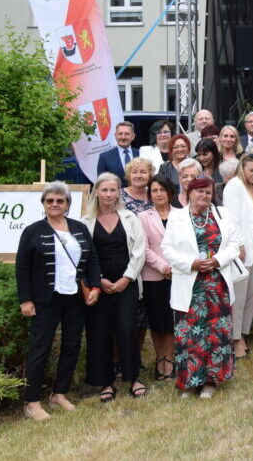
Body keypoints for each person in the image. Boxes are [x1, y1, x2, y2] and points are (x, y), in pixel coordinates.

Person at [15, 183, 101, 421]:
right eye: (50, 200)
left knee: (72, 345)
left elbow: (92, 258)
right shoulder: (32, 231)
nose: (54, 204)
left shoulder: (79, 228)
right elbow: (22, 268)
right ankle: (32, 402)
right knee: (39, 348)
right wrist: (26, 300)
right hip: (45, 299)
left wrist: (95, 286)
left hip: (74, 297)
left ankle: (59, 393)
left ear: (67, 204)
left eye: (59, 201)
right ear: (43, 203)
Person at [161, 177, 239, 397]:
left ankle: (211, 382)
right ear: (190, 193)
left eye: (207, 192)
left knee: (216, 333)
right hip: (190, 283)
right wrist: (190, 264)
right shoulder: (176, 217)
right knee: (190, 334)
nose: (203, 196)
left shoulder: (223, 214)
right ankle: (190, 381)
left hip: (217, 283)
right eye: (199, 192)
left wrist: (218, 260)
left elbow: (234, 244)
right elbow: (167, 248)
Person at [83, 172, 147, 402]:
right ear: (96, 192)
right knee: (100, 332)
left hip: (126, 281)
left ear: (119, 192)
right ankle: (106, 382)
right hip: (98, 283)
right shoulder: (85, 221)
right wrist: (98, 280)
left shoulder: (130, 217)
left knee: (127, 329)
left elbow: (140, 250)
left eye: (113, 190)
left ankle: (133, 378)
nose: (109, 194)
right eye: (104, 190)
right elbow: (84, 255)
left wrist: (126, 279)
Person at [223, 153, 253, 359]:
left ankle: (243, 332)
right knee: (239, 292)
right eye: (252, 170)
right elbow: (231, 219)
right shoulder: (234, 185)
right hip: (242, 242)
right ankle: (235, 338)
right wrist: (239, 244)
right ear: (242, 168)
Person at [138, 175, 177, 381]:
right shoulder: (143, 217)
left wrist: (174, 267)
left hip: (177, 275)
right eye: (154, 190)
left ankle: (169, 360)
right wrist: (163, 267)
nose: (159, 194)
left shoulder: (180, 214)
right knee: (156, 322)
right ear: (150, 194)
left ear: (170, 192)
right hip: (153, 276)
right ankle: (159, 358)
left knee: (170, 322)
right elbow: (143, 249)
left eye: (162, 189)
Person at [97, 121, 140, 186]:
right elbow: (101, 183)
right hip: (116, 195)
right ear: (115, 136)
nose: (123, 137)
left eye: (127, 134)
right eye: (120, 134)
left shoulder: (141, 153)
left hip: (138, 194)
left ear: (133, 136)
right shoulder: (105, 157)